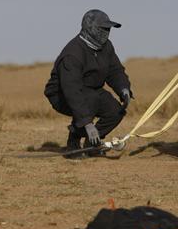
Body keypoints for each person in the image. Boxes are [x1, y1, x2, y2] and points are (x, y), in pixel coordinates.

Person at [44, 9, 133, 154]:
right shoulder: (72, 54)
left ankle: (92, 145)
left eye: (108, 29)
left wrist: (124, 88)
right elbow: (71, 90)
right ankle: (73, 141)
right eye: (103, 28)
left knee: (116, 111)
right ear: (89, 27)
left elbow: (115, 70)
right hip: (62, 95)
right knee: (89, 101)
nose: (107, 32)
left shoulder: (106, 47)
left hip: (91, 91)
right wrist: (87, 123)